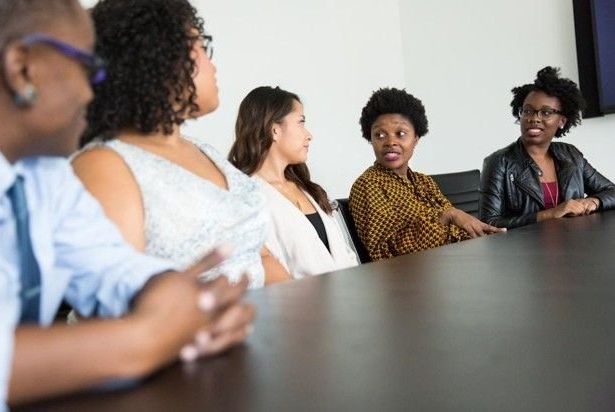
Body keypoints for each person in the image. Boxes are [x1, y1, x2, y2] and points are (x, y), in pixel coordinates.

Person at [0, 0, 253, 409]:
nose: (94, 90)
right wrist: (147, 338)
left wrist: (180, 299)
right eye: (87, 65)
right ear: (21, 69)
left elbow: (111, 267)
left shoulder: (45, 174)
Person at [72, 0, 290, 288]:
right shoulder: (103, 165)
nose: (212, 66)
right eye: (200, 48)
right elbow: (116, 307)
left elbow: (260, 258)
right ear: (158, 58)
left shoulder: (206, 152)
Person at [349, 87, 504, 261]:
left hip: (450, 264)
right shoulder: (368, 185)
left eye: (400, 134)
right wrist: (447, 216)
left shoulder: (424, 181)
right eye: (380, 135)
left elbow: (455, 230)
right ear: (370, 139)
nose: (390, 142)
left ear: (416, 138)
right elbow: (386, 251)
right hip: (407, 280)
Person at [228, 86, 359, 279]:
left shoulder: (307, 189)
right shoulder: (246, 197)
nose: (309, 135)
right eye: (301, 122)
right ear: (274, 130)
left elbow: (346, 255)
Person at [479, 66, 615, 229]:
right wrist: (548, 215)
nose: (534, 118)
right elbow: (488, 225)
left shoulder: (571, 155)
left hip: (575, 245)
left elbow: (611, 191)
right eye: (528, 111)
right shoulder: (499, 162)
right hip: (526, 251)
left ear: (562, 121)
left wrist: (594, 201)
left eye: (546, 112)